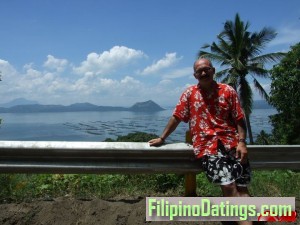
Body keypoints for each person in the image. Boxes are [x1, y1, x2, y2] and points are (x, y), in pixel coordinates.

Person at [149, 58, 252, 225]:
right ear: (195, 75)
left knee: (242, 187)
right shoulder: (190, 94)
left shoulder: (228, 91)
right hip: (208, 147)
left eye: (206, 69)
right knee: (228, 186)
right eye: (199, 71)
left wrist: (242, 142)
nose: (203, 73)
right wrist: (162, 138)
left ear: (213, 70)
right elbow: (177, 117)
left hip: (232, 143)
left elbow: (239, 118)